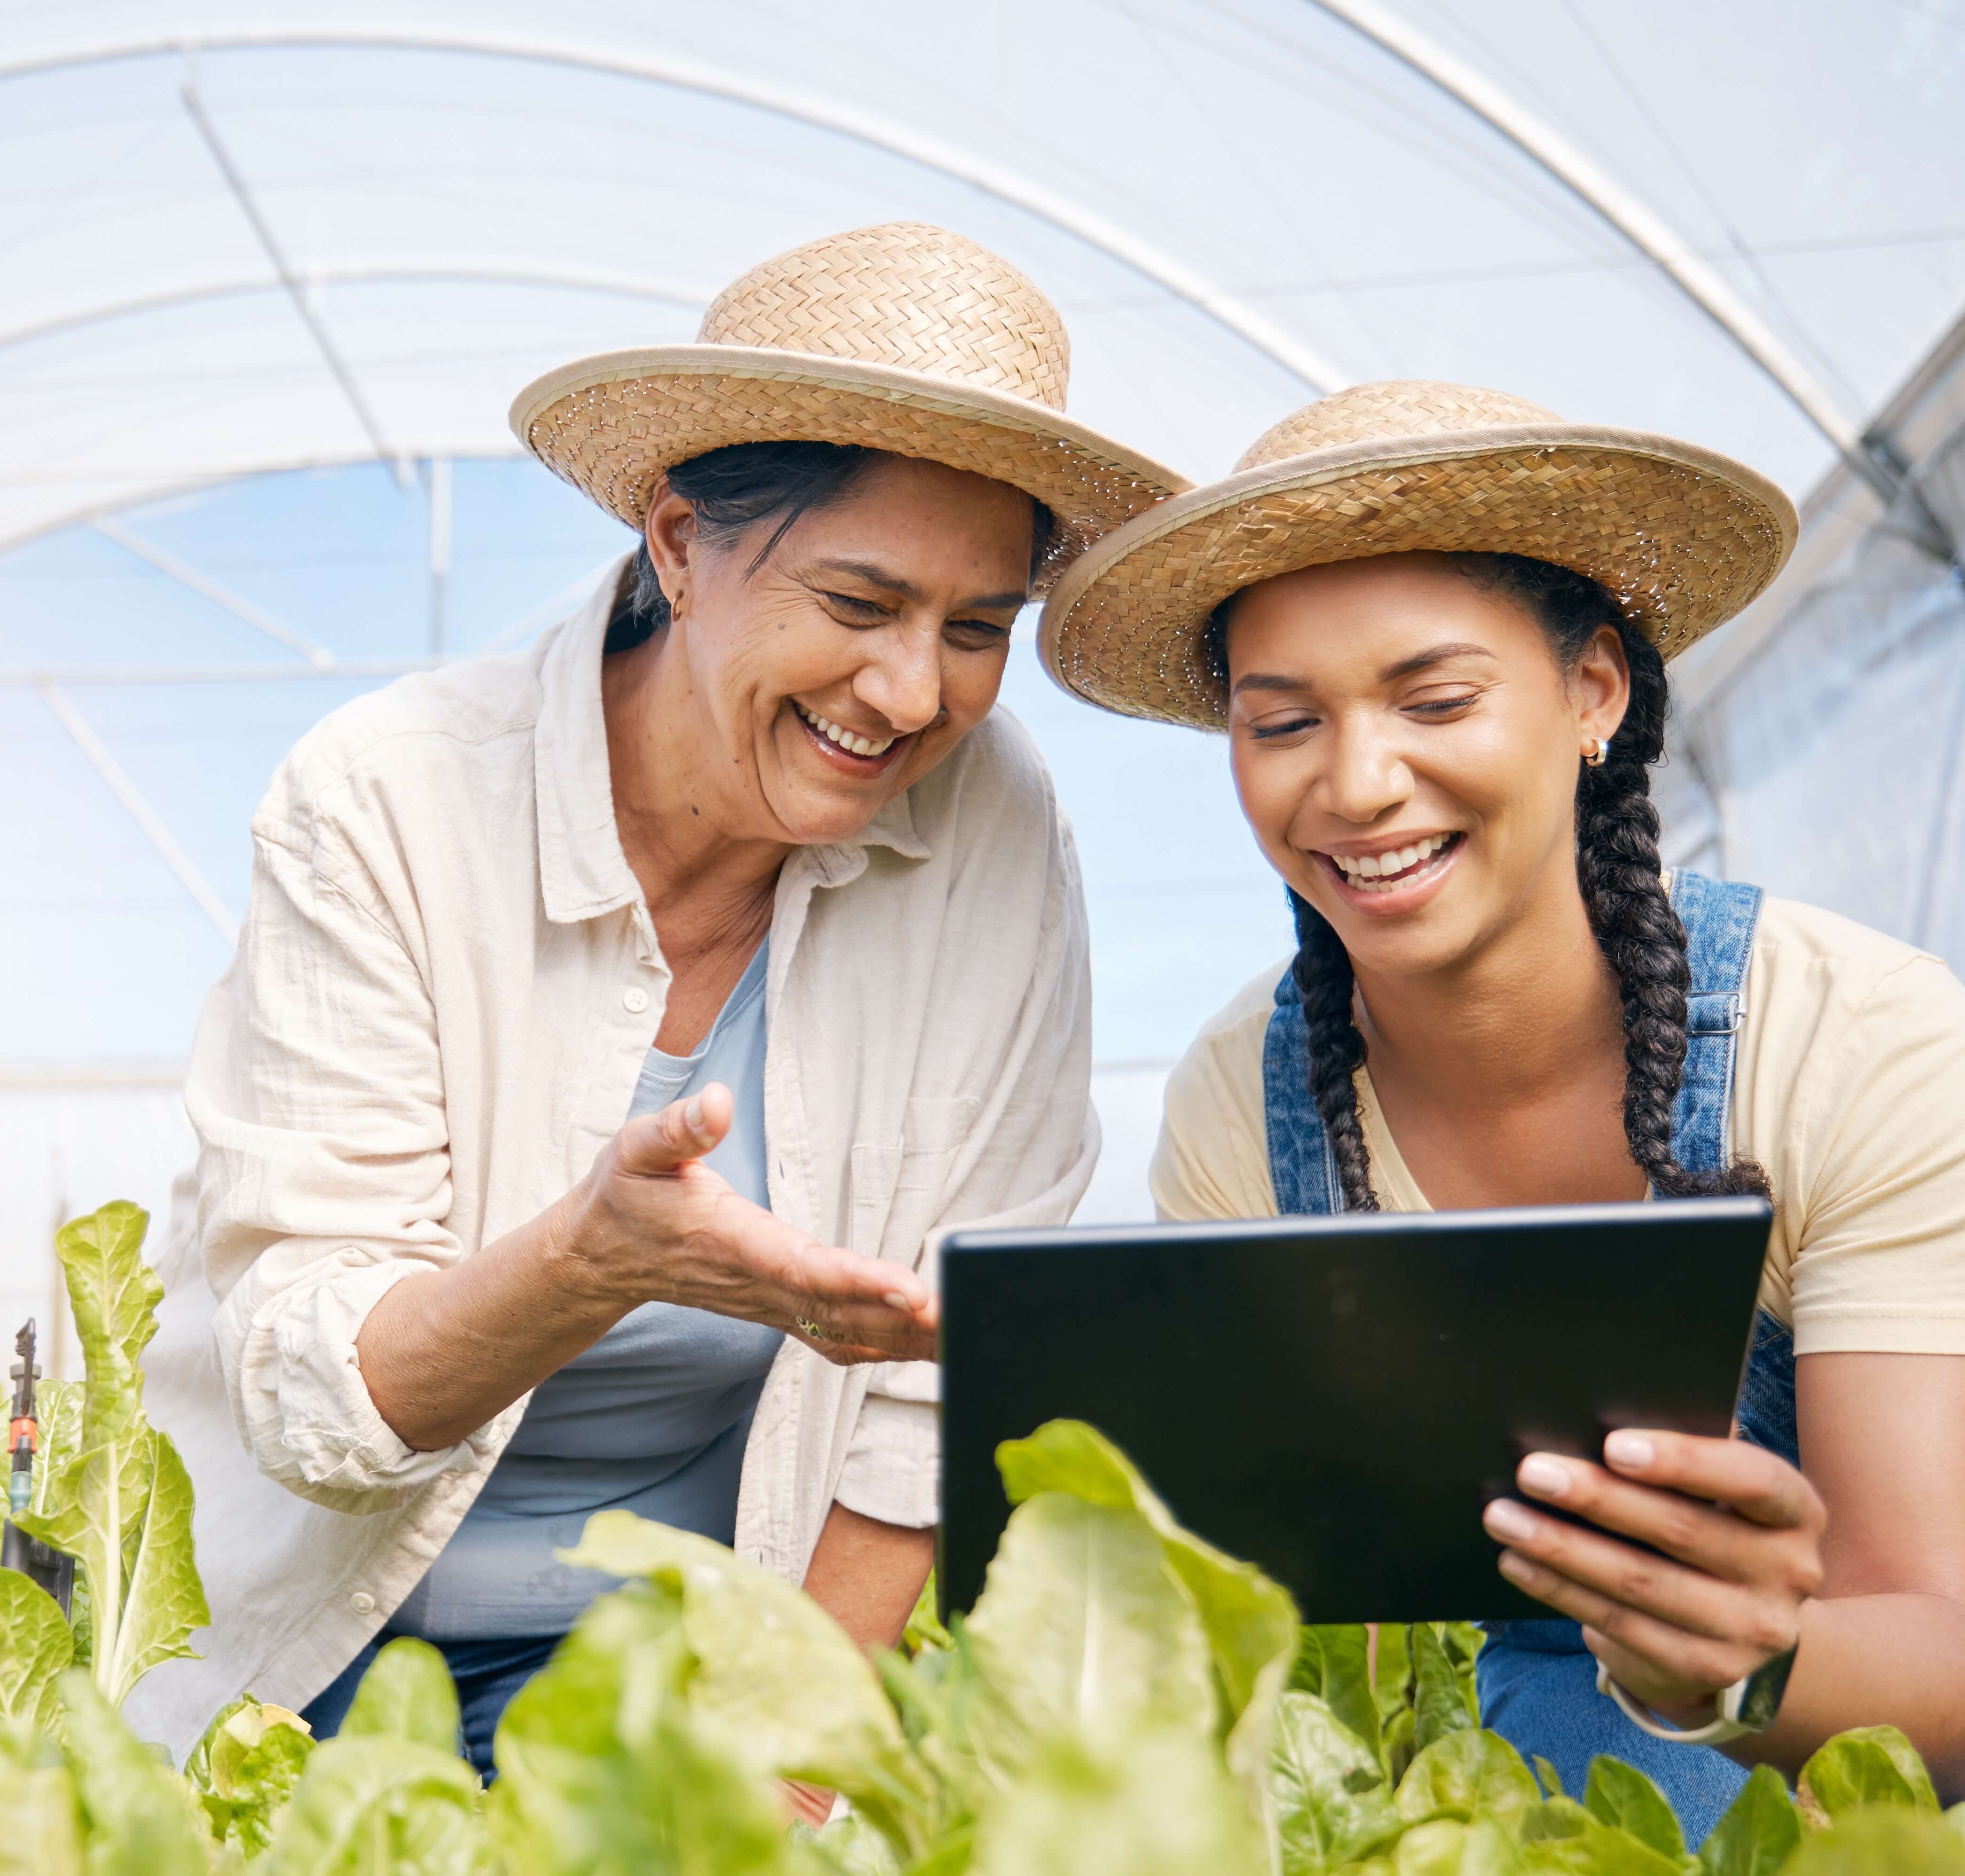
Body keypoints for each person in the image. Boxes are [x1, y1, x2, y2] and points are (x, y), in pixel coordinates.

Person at [1037, 380, 1965, 1871]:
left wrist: (1739, 1663)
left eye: (1435, 701)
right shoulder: (1245, 1110)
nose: (1355, 784)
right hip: (1591, 1653)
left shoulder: (1855, 1037)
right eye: (1281, 721)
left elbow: (1936, 1677)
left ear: (1595, 692)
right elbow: (1295, 1595)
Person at [127, 224, 1180, 1770]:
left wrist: (799, 1767)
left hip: (683, 1672)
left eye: (976, 631)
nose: (908, 694)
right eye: (857, 600)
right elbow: (314, 1394)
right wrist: (585, 1262)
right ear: (679, 545)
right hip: (305, 1649)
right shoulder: (391, 799)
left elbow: (939, 1372)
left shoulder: (993, 828)